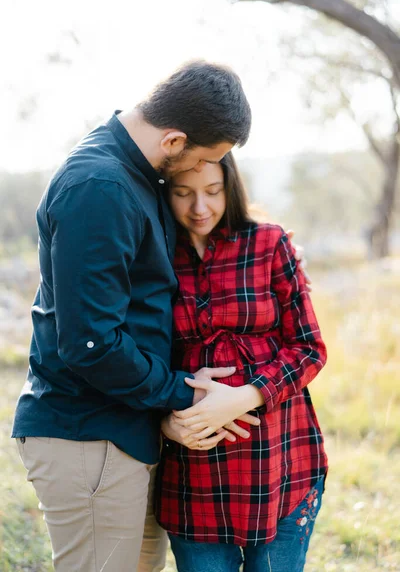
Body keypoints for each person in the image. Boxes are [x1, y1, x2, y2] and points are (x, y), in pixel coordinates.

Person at [11, 61, 258, 572]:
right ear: (173, 140)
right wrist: (185, 392)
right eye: (203, 158)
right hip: (87, 437)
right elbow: (90, 343)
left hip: (124, 431)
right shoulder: (101, 187)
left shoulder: (133, 175)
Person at [155, 151, 328, 572]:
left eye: (213, 192)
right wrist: (164, 418)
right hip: (195, 479)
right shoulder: (154, 254)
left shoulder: (268, 243)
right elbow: (138, 360)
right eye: (183, 193)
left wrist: (245, 397)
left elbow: (309, 349)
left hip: (282, 463)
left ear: (230, 188)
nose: (200, 208)